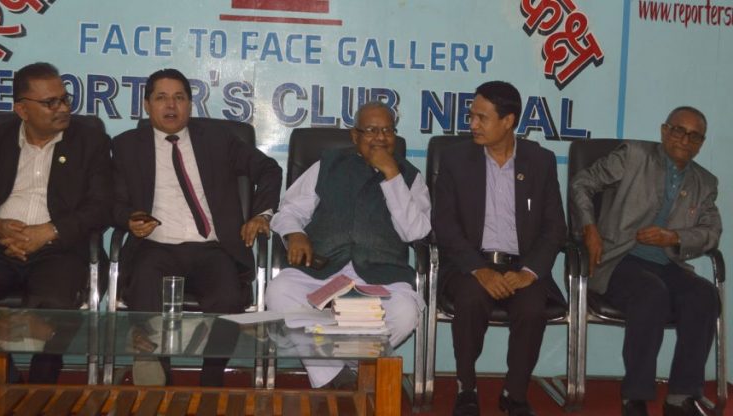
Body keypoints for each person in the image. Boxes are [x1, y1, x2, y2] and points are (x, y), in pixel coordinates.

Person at [111, 68, 282, 386]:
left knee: (228, 295)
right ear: (147, 105)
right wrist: (128, 219)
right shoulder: (126, 146)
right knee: (145, 281)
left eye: (179, 98)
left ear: (190, 104)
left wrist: (262, 215)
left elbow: (268, 169)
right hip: (156, 245)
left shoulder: (217, 139)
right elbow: (114, 201)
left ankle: (212, 378)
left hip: (212, 248)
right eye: (161, 98)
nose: (171, 105)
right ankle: (154, 366)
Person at [0, 62, 113, 387]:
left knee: (54, 308)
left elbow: (102, 206)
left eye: (65, 99)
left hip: (59, 249)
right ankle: (1, 386)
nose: (63, 108)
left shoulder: (91, 141)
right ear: (22, 110)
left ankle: (39, 391)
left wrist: (48, 231)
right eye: (50, 102)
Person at [265, 101, 431, 388]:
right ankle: (338, 375)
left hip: (381, 274)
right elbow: (289, 210)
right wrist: (295, 234)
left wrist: (392, 176)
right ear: (355, 136)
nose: (380, 138)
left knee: (406, 312)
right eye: (371, 130)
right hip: (322, 270)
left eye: (387, 131)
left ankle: (349, 368)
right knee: (278, 292)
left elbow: (415, 232)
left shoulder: (410, 176)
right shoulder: (327, 165)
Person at [570, 106, 720, 416]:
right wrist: (589, 228)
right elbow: (582, 183)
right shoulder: (634, 156)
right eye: (679, 131)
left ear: (701, 143)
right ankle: (635, 395)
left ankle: (681, 397)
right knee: (651, 293)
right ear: (665, 131)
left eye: (694, 136)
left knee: (705, 295)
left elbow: (711, 233)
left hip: (669, 265)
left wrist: (674, 237)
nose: (685, 140)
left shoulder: (704, 182)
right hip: (619, 259)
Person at [434, 81, 566, 416]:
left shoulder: (540, 161)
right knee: (470, 298)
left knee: (532, 307)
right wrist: (479, 270)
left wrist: (529, 272)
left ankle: (515, 393)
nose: (473, 124)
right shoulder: (455, 159)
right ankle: (466, 387)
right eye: (471, 116)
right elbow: (444, 225)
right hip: (470, 264)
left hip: (522, 266)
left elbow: (554, 227)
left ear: (508, 121)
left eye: (482, 117)